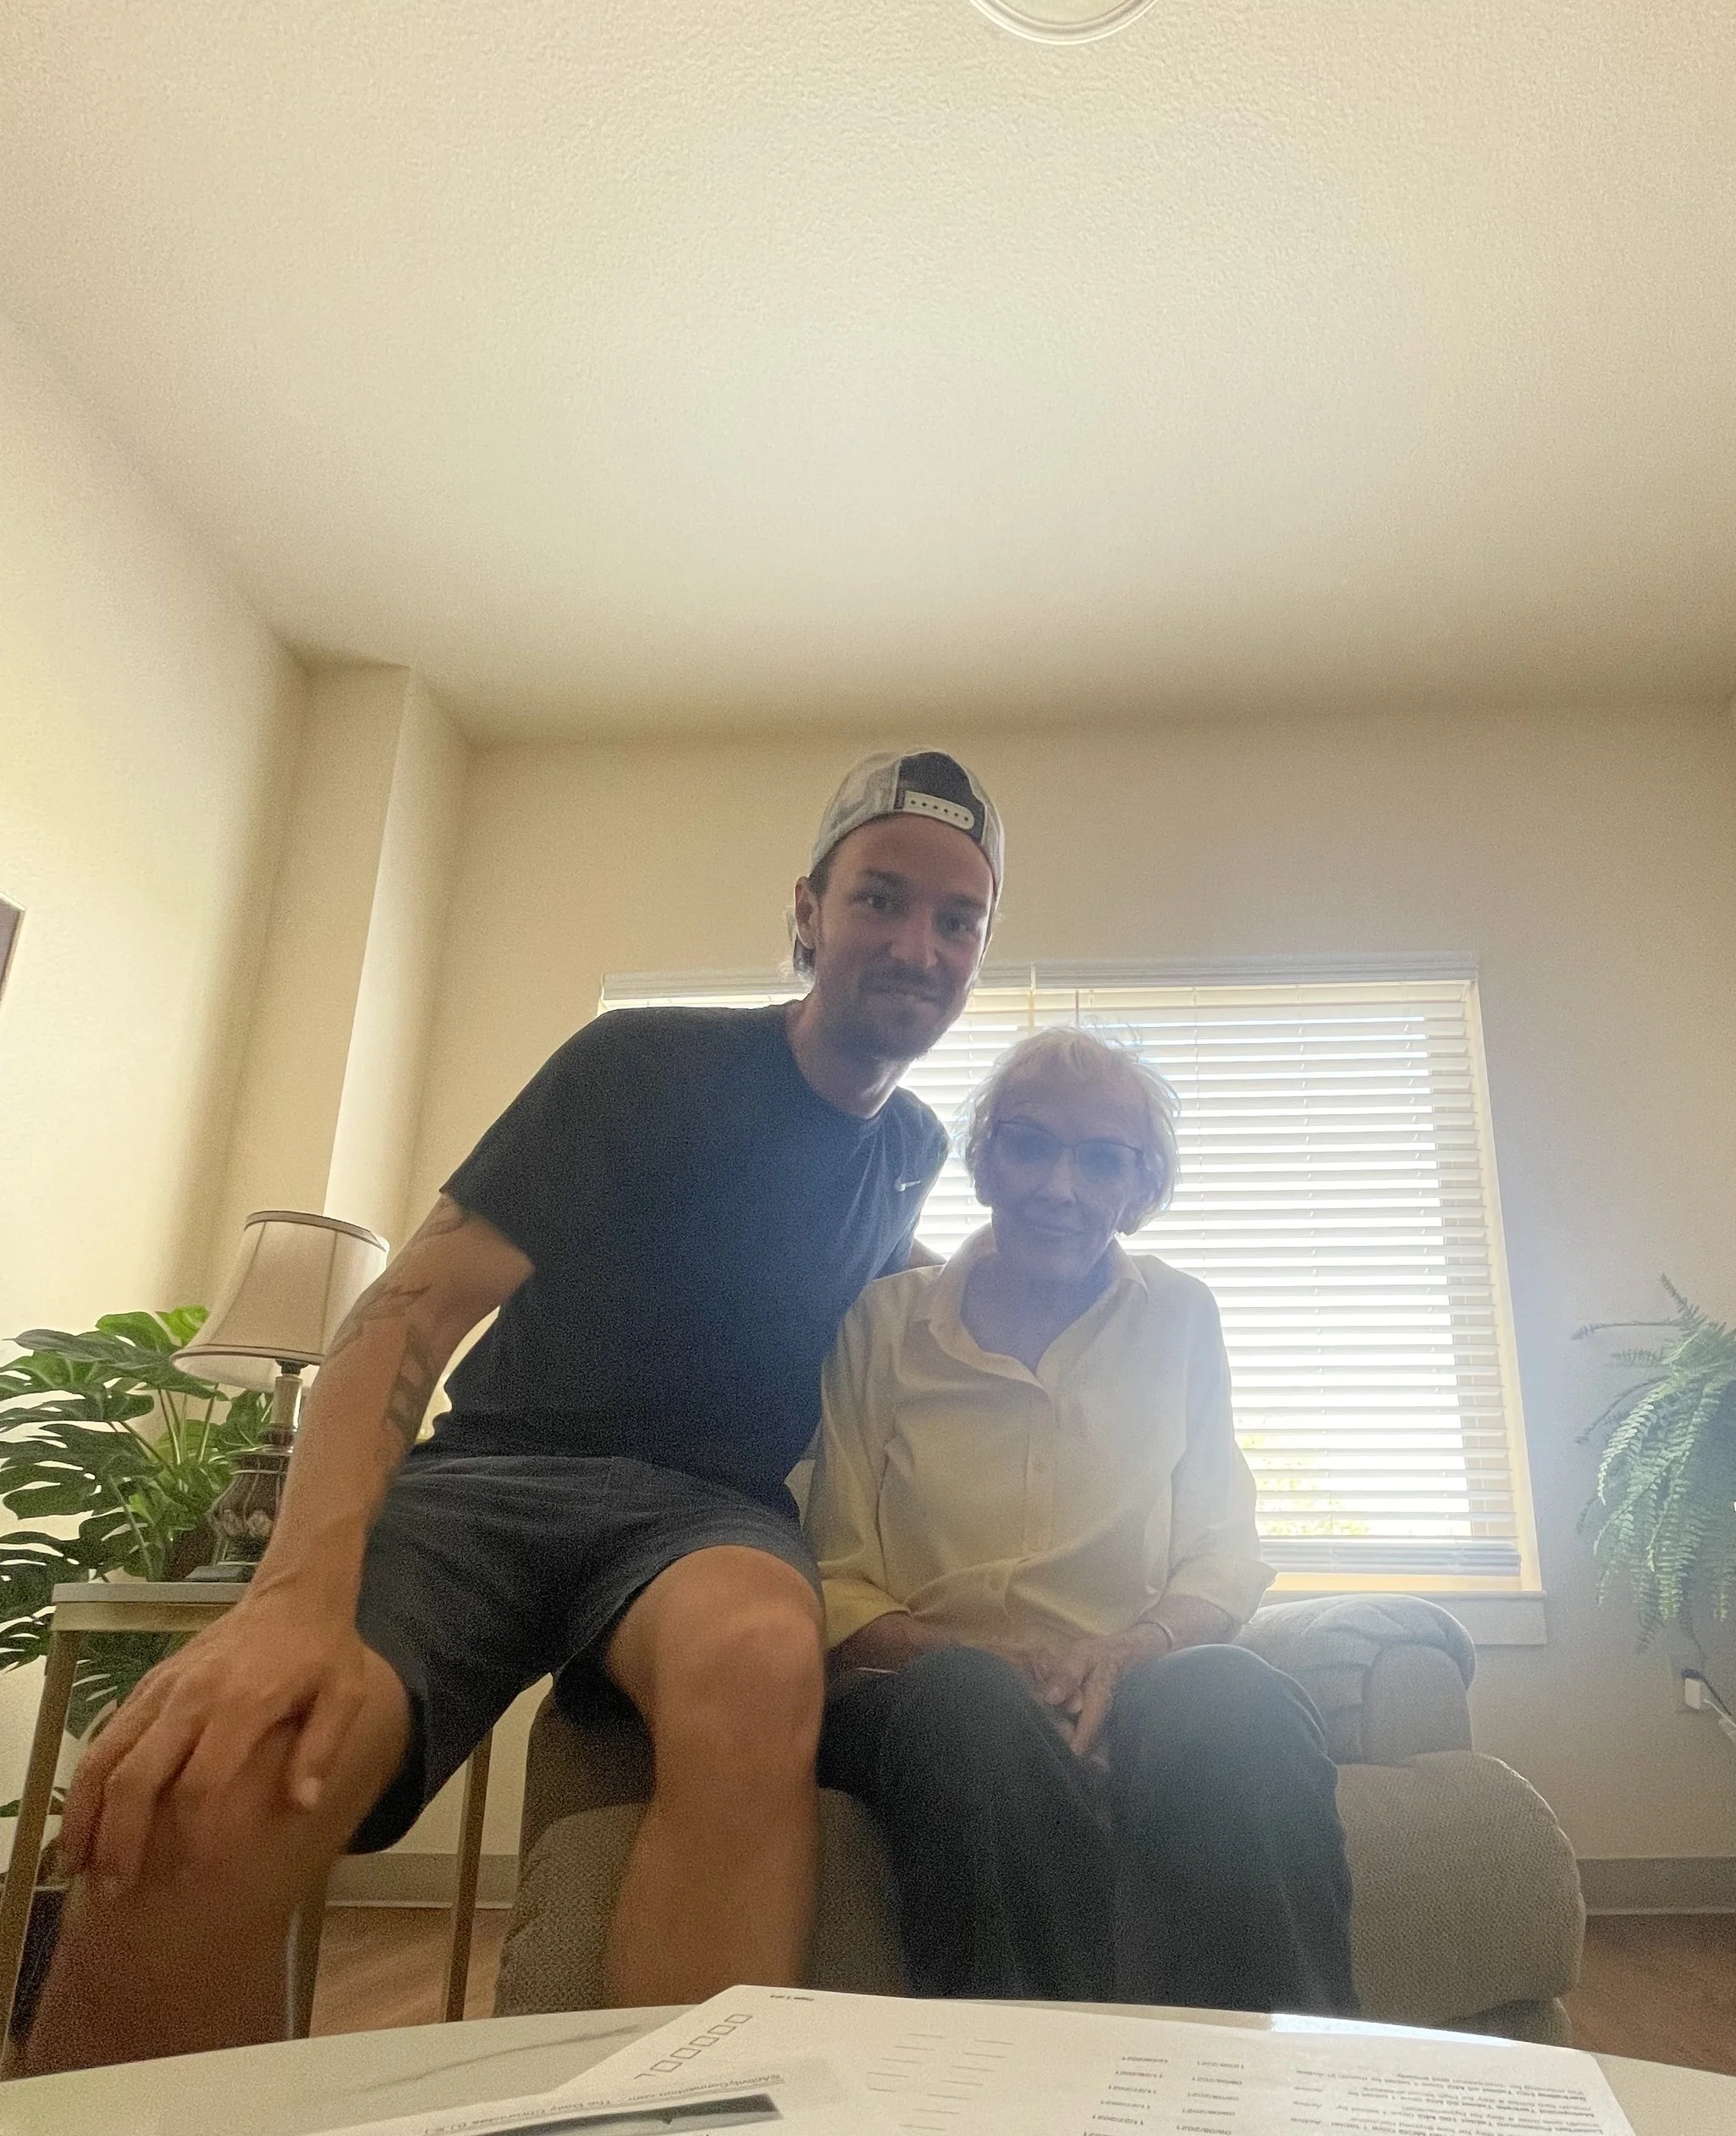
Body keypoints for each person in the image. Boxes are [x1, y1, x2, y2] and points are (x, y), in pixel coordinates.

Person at [33, 751, 1003, 2069]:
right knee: (215, 1778)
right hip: (496, 1474)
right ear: (806, 912)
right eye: (882, 899)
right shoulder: (640, 1061)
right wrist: (285, 1600)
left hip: (707, 1518)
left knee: (761, 1665)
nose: (918, 943)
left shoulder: (913, 1152)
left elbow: (904, 1310)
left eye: (959, 920)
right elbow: (405, 1318)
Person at [807, 1029, 1358, 2014]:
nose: (1059, 1187)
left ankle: (1284, 2095)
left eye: (1101, 1158)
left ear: (1139, 1188)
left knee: (1239, 1699)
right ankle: (1033, 2108)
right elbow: (837, 1576)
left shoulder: (1181, 1318)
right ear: (983, 1162)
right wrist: (987, 1664)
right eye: (1028, 1145)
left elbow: (1220, 1553)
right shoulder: (882, 1326)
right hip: (923, 1692)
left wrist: (1127, 1652)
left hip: (1132, 1673)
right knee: (971, 1704)